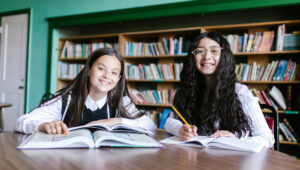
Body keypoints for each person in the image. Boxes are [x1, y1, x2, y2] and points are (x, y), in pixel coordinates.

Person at [165, 32, 274, 148]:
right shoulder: (189, 88)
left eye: (214, 50)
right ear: (193, 57)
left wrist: (235, 139)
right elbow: (169, 122)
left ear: (224, 56)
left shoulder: (240, 92)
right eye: (200, 51)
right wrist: (181, 130)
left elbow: (267, 138)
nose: (206, 56)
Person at [15, 48, 156, 134]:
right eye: (101, 69)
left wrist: (116, 121)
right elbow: (21, 121)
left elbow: (150, 126)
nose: (107, 76)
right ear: (89, 70)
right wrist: (43, 125)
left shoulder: (121, 102)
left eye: (114, 73)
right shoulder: (66, 99)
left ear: (119, 79)